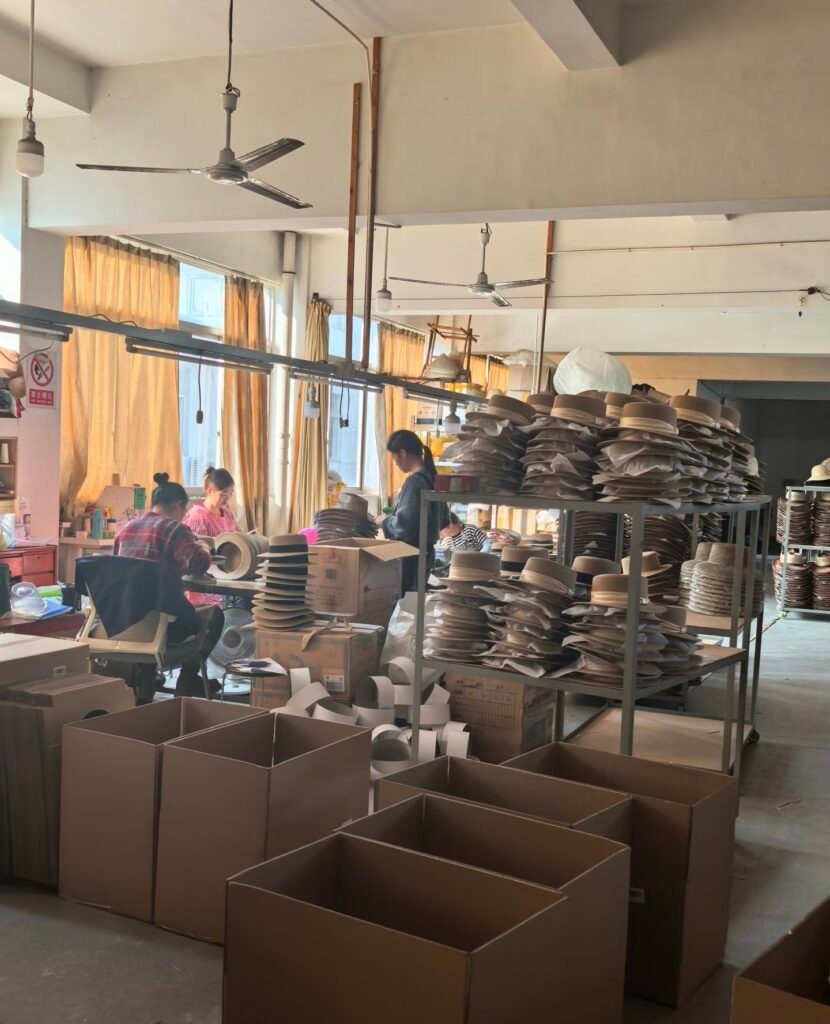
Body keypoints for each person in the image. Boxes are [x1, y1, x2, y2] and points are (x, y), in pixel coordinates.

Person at [114, 472, 223, 697]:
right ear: (177, 505)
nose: (185, 516)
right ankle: (188, 680)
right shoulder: (176, 529)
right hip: (162, 626)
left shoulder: (126, 529)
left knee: (154, 606)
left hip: (123, 621)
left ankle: (147, 680)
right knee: (215, 615)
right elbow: (198, 564)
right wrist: (202, 547)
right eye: (185, 511)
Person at [376, 430, 448, 592]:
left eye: (395, 459)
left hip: (410, 557)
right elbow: (445, 520)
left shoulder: (415, 481)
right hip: (427, 555)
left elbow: (405, 526)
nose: (396, 464)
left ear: (402, 453)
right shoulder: (433, 479)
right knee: (414, 606)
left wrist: (385, 520)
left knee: (404, 606)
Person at [183, 466, 237, 607]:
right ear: (209, 489)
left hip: (225, 574)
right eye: (223, 494)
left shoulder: (228, 514)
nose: (227, 498)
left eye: (230, 494)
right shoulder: (198, 516)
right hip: (204, 581)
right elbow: (193, 554)